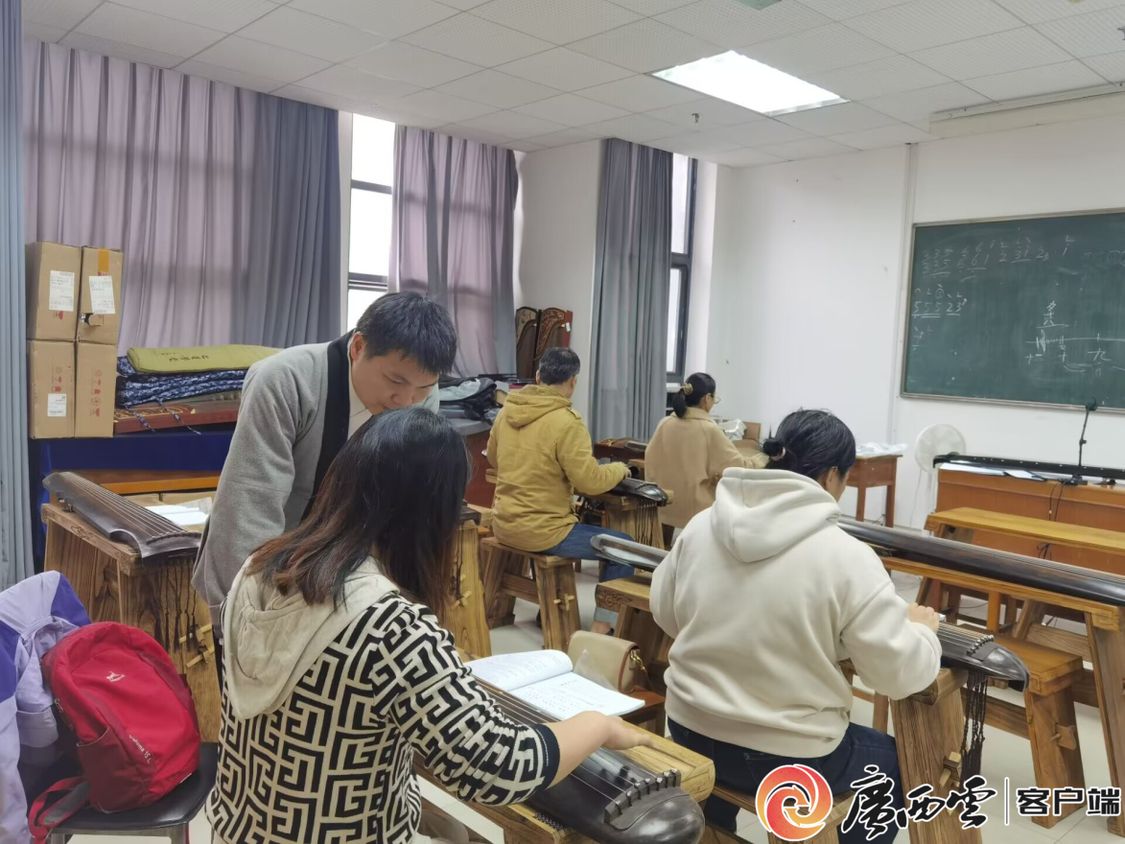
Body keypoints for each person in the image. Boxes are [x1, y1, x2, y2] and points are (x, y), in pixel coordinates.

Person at [209, 407, 652, 844]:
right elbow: (497, 768)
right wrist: (598, 726)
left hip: (237, 828)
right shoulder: (389, 624)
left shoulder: (259, 568)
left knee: (452, 829)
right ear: (431, 514)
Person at [651, 409, 941, 843]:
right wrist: (921, 632)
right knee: (899, 767)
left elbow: (665, 612)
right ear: (832, 476)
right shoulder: (846, 555)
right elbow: (897, 676)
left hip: (688, 727)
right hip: (785, 758)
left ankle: (712, 831)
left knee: (719, 775)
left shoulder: (701, 526)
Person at [193, 292, 457, 681]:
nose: (406, 401)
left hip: (348, 575)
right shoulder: (285, 380)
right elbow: (249, 503)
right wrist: (250, 617)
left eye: (424, 388)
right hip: (268, 564)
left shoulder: (419, 401)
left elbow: (402, 507)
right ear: (358, 347)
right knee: (256, 687)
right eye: (395, 380)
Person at [487, 348, 632, 635]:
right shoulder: (567, 422)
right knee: (623, 547)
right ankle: (602, 629)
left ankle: (548, 612)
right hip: (544, 532)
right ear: (573, 382)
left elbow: (493, 458)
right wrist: (619, 469)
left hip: (503, 523)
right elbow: (590, 482)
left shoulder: (507, 412)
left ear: (538, 376)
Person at [644, 372, 767, 544]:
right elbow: (738, 466)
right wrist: (763, 458)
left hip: (662, 502)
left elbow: (650, 457)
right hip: (694, 509)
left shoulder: (665, 423)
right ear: (707, 399)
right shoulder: (708, 429)